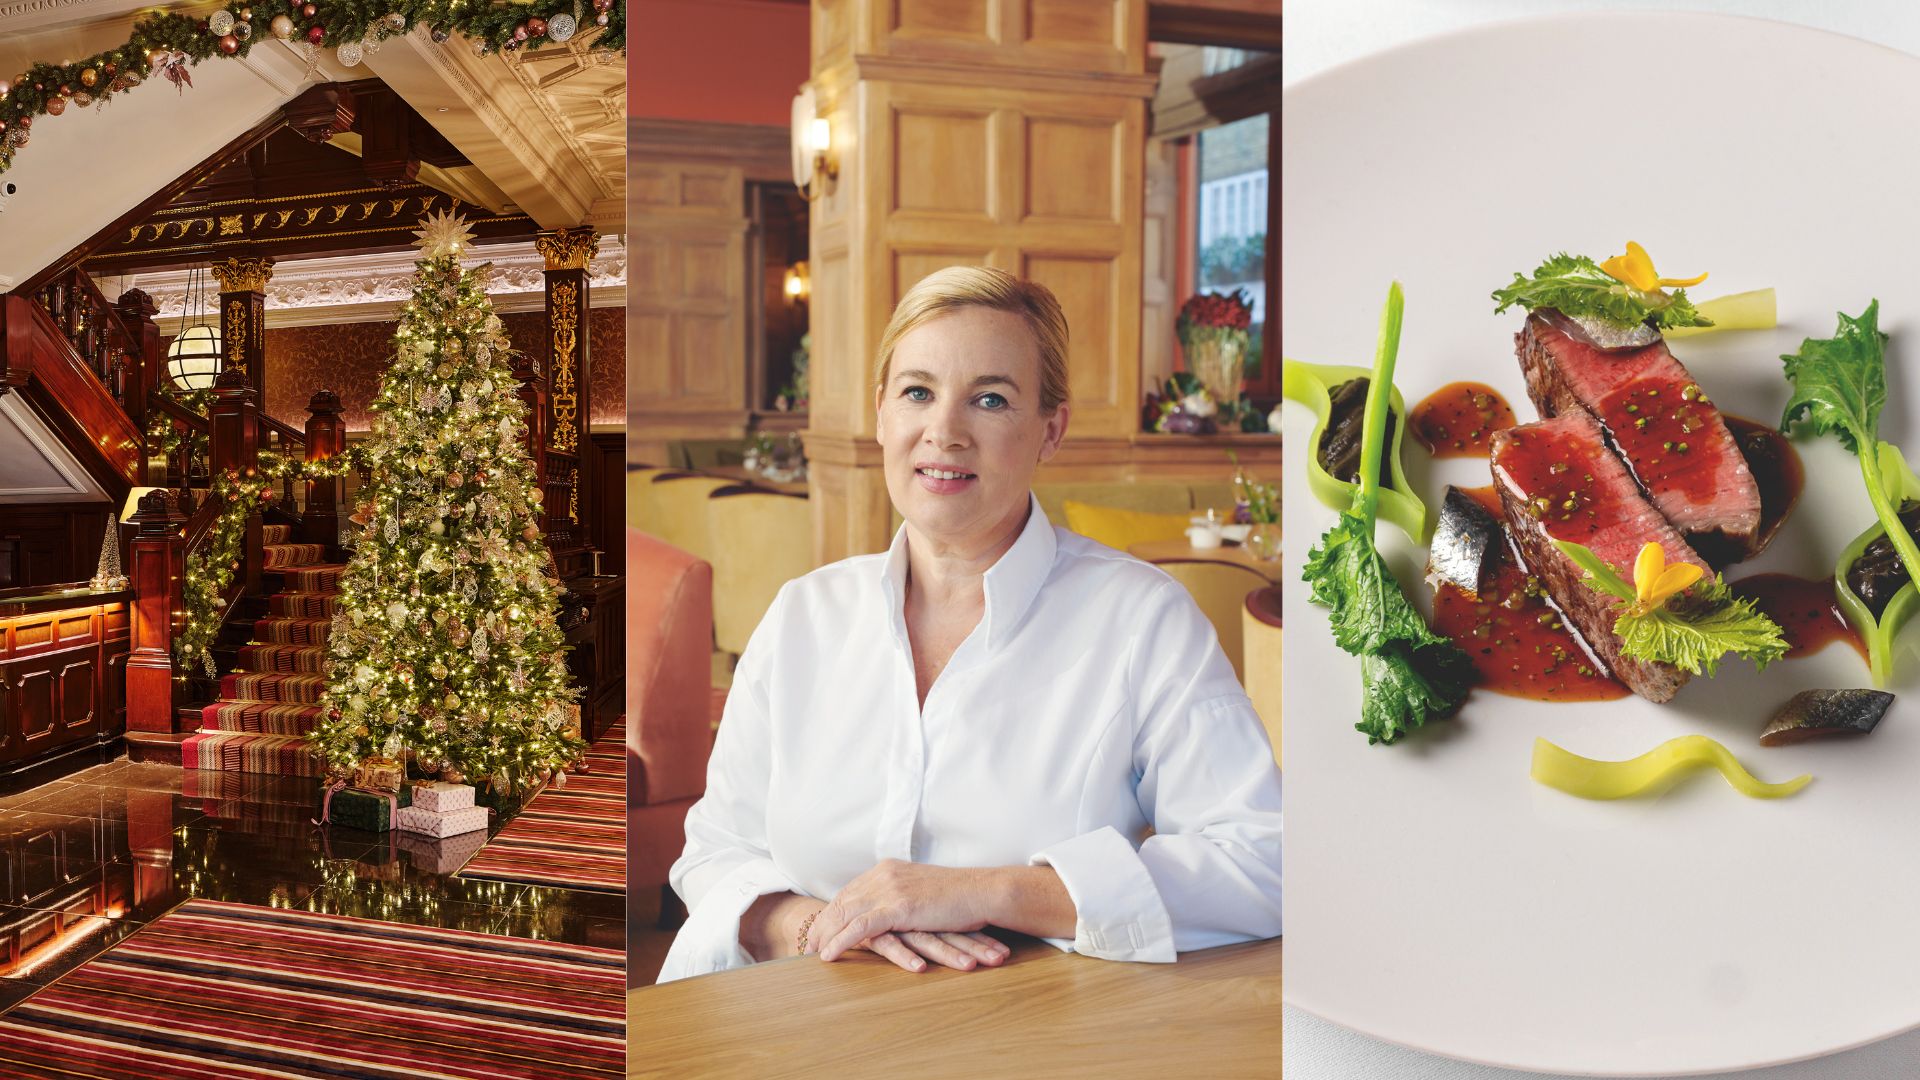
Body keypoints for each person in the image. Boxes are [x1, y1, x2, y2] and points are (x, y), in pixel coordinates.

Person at [657, 266, 1282, 981]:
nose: (944, 432)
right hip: (800, 1029)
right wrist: (822, 927)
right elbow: (713, 849)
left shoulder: (1142, 618)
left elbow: (1265, 858)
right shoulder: (803, 614)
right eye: (918, 392)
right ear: (883, 413)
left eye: (989, 399)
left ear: (1052, 429)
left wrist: (993, 891)